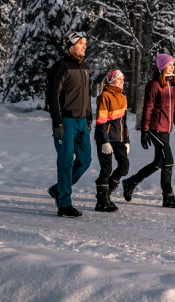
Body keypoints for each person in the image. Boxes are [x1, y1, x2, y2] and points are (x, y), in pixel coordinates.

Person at [123, 53, 175, 208]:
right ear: (162, 67)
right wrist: (145, 131)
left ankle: (131, 182)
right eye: (169, 64)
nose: (172, 67)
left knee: (159, 162)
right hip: (155, 128)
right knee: (168, 160)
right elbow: (147, 108)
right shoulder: (153, 85)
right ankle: (168, 196)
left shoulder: (172, 85)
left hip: (166, 129)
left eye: (173, 64)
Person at [46, 31, 93, 218]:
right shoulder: (60, 67)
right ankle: (64, 203)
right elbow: (53, 96)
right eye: (81, 43)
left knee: (86, 160)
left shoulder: (86, 68)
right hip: (65, 121)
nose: (85, 46)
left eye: (85, 43)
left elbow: (87, 96)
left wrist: (89, 118)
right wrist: (57, 122)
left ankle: (58, 189)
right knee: (65, 163)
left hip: (82, 122)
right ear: (71, 45)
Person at [93, 69, 129, 213]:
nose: (122, 82)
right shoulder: (105, 96)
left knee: (124, 167)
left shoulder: (123, 98)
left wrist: (127, 140)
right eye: (119, 79)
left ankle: (106, 192)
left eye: (123, 79)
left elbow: (124, 123)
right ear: (111, 80)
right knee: (106, 169)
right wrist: (104, 141)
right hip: (105, 139)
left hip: (119, 139)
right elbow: (101, 121)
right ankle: (102, 202)